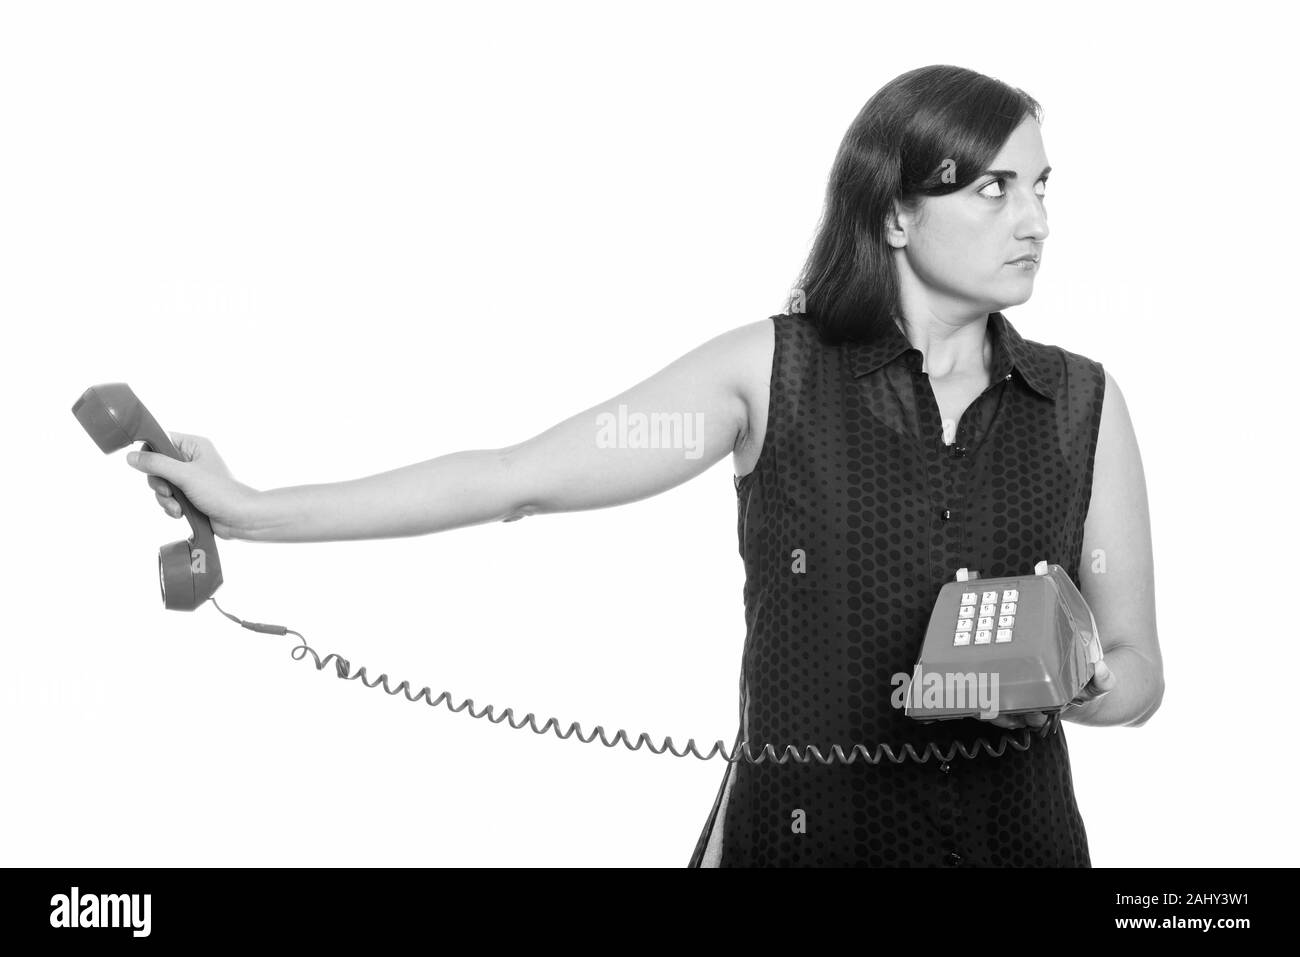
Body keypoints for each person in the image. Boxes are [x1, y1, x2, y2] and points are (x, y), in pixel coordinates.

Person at [127, 64, 1163, 867]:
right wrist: (253, 510)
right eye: (991, 189)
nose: (1031, 221)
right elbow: (514, 476)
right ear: (894, 212)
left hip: (1013, 847)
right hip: (792, 844)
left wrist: (1069, 684)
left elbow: (1135, 669)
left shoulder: (1080, 404)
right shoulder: (770, 376)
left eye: (1038, 186)